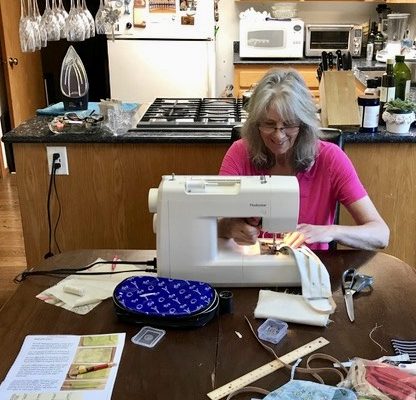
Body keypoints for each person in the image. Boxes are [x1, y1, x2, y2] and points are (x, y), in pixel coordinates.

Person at [218, 68, 389, 250]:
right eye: (269, 124)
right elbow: (213, 220)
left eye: (289, 124)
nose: (278, 135)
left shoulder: (331, 159)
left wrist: (330, 232)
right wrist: (228, 227)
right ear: (255, 124)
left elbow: (380, 234)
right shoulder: (239, 152)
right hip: (251, 265)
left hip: (310, 267)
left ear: (304, 123)